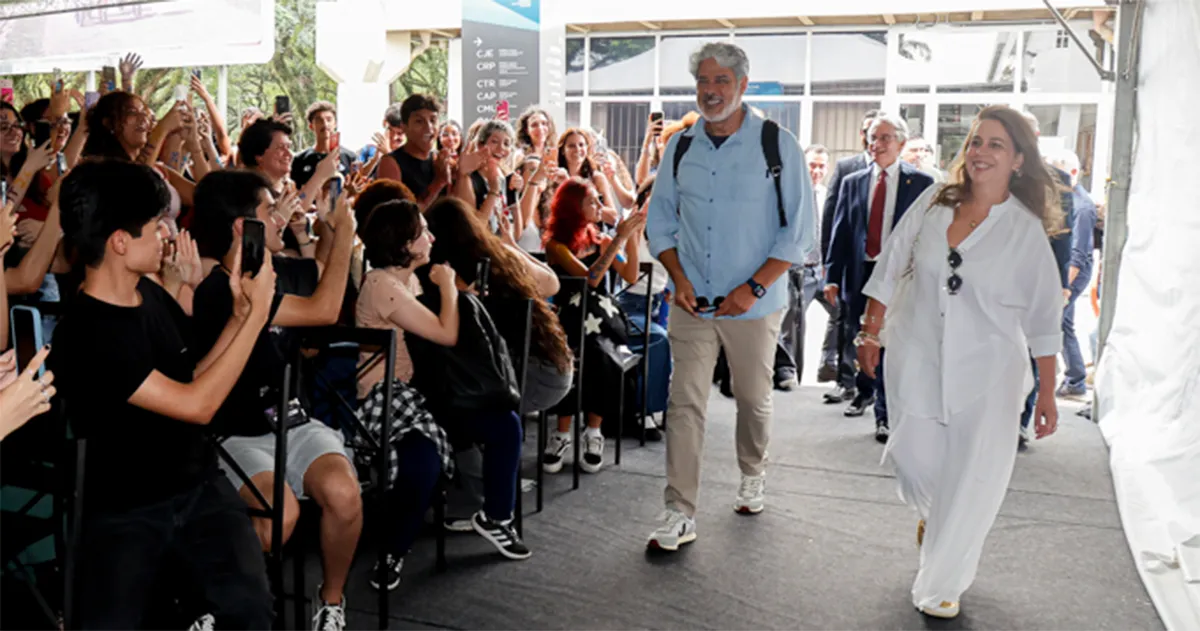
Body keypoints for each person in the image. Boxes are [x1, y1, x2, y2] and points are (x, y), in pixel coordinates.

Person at [48, 159, 275, 629]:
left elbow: (189, 381)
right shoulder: (89, 331)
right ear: (119, 241)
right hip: (127, 509)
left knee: (249, 610)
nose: (167, 235)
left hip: (196, 488)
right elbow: (198, 405)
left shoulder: (148, 296)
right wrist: (257, 319)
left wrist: (239, 316)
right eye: (156, 226)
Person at [855, 105, 1063, 619]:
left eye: (996, 144)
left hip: (991, 371)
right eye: (975, 142)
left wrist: (1048, 391)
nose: (981, 153)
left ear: (1018, 159)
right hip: (919, 355)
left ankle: (942, 583)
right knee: (913, 459)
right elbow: (890, 263)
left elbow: (1043, 318)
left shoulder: (1024, 230)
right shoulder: (934, 202)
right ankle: (935, 517)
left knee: (973, 478)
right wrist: (870, 331)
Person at [644, 41, 814, 551]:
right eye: (703, 81)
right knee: (684, 402)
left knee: (752, 399)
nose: (711, 91)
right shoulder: (680, 147)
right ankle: (679, 510)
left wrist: (754, 287)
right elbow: (660, 223)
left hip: (755, 305)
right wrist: (678, 277)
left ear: (742, 84)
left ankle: (753, 471)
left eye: (721, 80)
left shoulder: (777, 144)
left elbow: (799, 234)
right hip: (692, 300)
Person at [190, 169, 361, 631]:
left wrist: (330, 236)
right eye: (269, 210)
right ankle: (221, 599)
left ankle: (331, 602)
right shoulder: (220, 288)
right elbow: (325, 309)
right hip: (238, 436)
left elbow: (322, 289)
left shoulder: (267, 275)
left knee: (344, 493)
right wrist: (345, 233)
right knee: (280, 515)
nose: (280, 217)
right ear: (242, 226)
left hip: (293, 422)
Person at [358, 199, 532, 561]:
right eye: (423, 232)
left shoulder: (410, 280)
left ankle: (496, 517)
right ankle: (393, 553)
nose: (432, 238)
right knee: (423, 464)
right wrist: (451, 288)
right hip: (388, 402)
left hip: (424, 394)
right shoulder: (381, 284)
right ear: (404, 243)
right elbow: (445, 334)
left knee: (505, 425)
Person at [825, 113, 935, 441]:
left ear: (901, 143)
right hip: (860, 271)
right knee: (861, 336)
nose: (877, 144)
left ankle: (885, 413)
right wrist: (832, 276)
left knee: (892, 340)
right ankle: (863, 391)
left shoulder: (922, 183)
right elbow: (840, 232)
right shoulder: (853, 181)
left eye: (885, 138)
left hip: (899, 275)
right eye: (873, 138)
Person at [542, 177, 646, 473]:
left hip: (603, 317)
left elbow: (630, 275)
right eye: (592, 201)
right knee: (579, 350)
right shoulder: (556, 245)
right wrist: (617, 241)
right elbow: (589, 279)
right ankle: (562, 433)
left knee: (601, 352)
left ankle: (593, 431)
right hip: (571, 316)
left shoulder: (600, 239)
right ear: (574, 207)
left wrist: (630, 239)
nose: (600, 206)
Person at [820, 108, 881, 406]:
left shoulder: (905, 175)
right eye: (870, 133)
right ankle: (846, 383)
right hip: (852, 263)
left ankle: (873, 385)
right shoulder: (847, 168)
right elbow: (832, 217)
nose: (875, 141)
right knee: (847, 322)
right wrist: (829, 265)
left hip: (882, 263)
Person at [774, 144, 840, 387]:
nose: (817, 171)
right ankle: (788, 372)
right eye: (812, 165)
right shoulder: (792, 194)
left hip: (822, 268)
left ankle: (829, 364)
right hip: (797, 269)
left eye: (822, 166)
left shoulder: (827, 195)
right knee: (791, 324)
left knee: (841, 312)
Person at [376, 94, 451, 210]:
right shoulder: (391, 163)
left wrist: (461, 175)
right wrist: (438, 182)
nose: (429, 128)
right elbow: (399, 215)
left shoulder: (438, 160)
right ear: (404, 127)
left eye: (433, 120)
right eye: (419, 121)